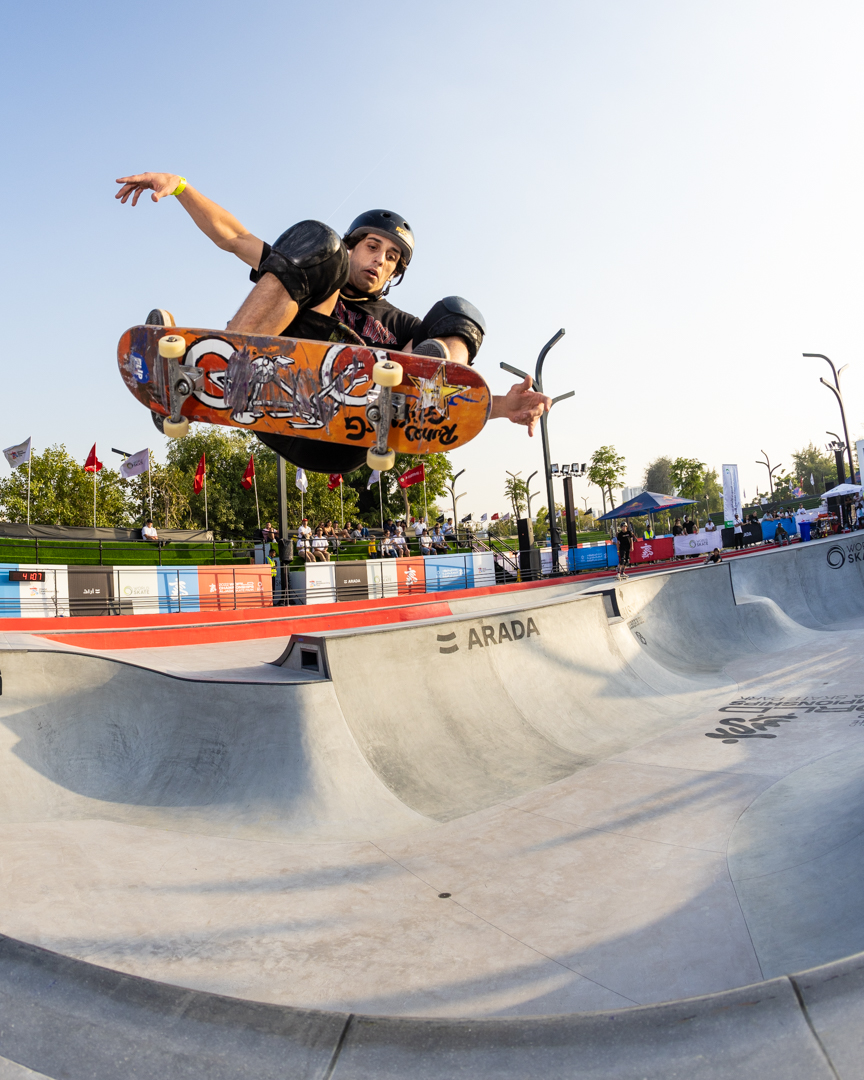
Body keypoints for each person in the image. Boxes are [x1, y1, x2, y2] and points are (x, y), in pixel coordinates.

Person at [114, 172, 554, 473]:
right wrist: (181, 187)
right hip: (273, 398)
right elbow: (233, 237)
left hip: (348, 436)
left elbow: (454, 381)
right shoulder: (316, 270)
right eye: (373, 246)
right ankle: (225, 366)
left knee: (459, 314)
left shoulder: (400, 324)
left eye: (392, 257)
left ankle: (428, 375)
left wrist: (498, 405)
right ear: (355, 245)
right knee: (316, 244)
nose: (380, 259)